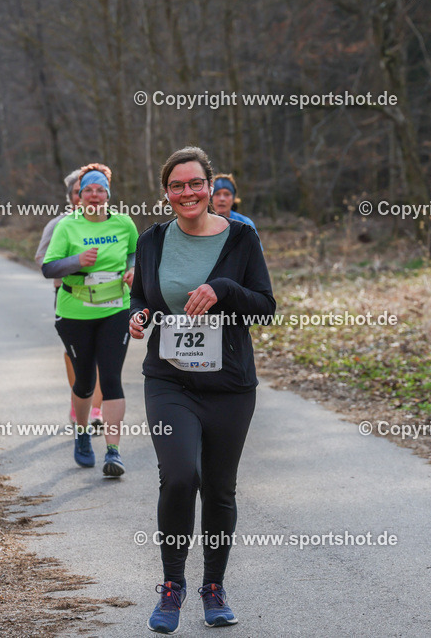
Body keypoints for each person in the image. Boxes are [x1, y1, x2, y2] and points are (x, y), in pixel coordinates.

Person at [129, 146, 274, 633]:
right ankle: (172, 587)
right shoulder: (151, 240)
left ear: (211, 188)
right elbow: (142, 296)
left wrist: (225, 290)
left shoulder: (241, 238)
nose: (187, 193)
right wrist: (139, 315)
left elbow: (264, 307)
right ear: (166, 192)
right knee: (177, 476)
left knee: (219, 487)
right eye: (177, 185)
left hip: (230, 386)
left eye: (195, 184)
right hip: (169, 380)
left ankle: (214, 586)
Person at [42, 163, 138, 477]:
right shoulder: (67, 227)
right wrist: (76, 261)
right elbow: (49, 268)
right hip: (74, 313)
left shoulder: (124, 224)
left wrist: (133, 269)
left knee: (110, 379)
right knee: (84, 383)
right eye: (88, 190)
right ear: (80, 196)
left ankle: (114, 452)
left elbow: (137, 253)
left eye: (100, 190)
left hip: (115, 309)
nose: (94, 195)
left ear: (107, 195)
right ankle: (82, 434)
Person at [34, 170, 104, 429]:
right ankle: (80, 403)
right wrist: (73, 265)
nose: (83, 196)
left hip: (104, 294)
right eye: (78, 192)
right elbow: (42, 260)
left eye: (89, 190)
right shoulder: (58, 225)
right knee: (77, 355)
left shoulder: (110, 223)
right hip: (68, 295)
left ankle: (95, 410)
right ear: (72, 196)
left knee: (101, 354)